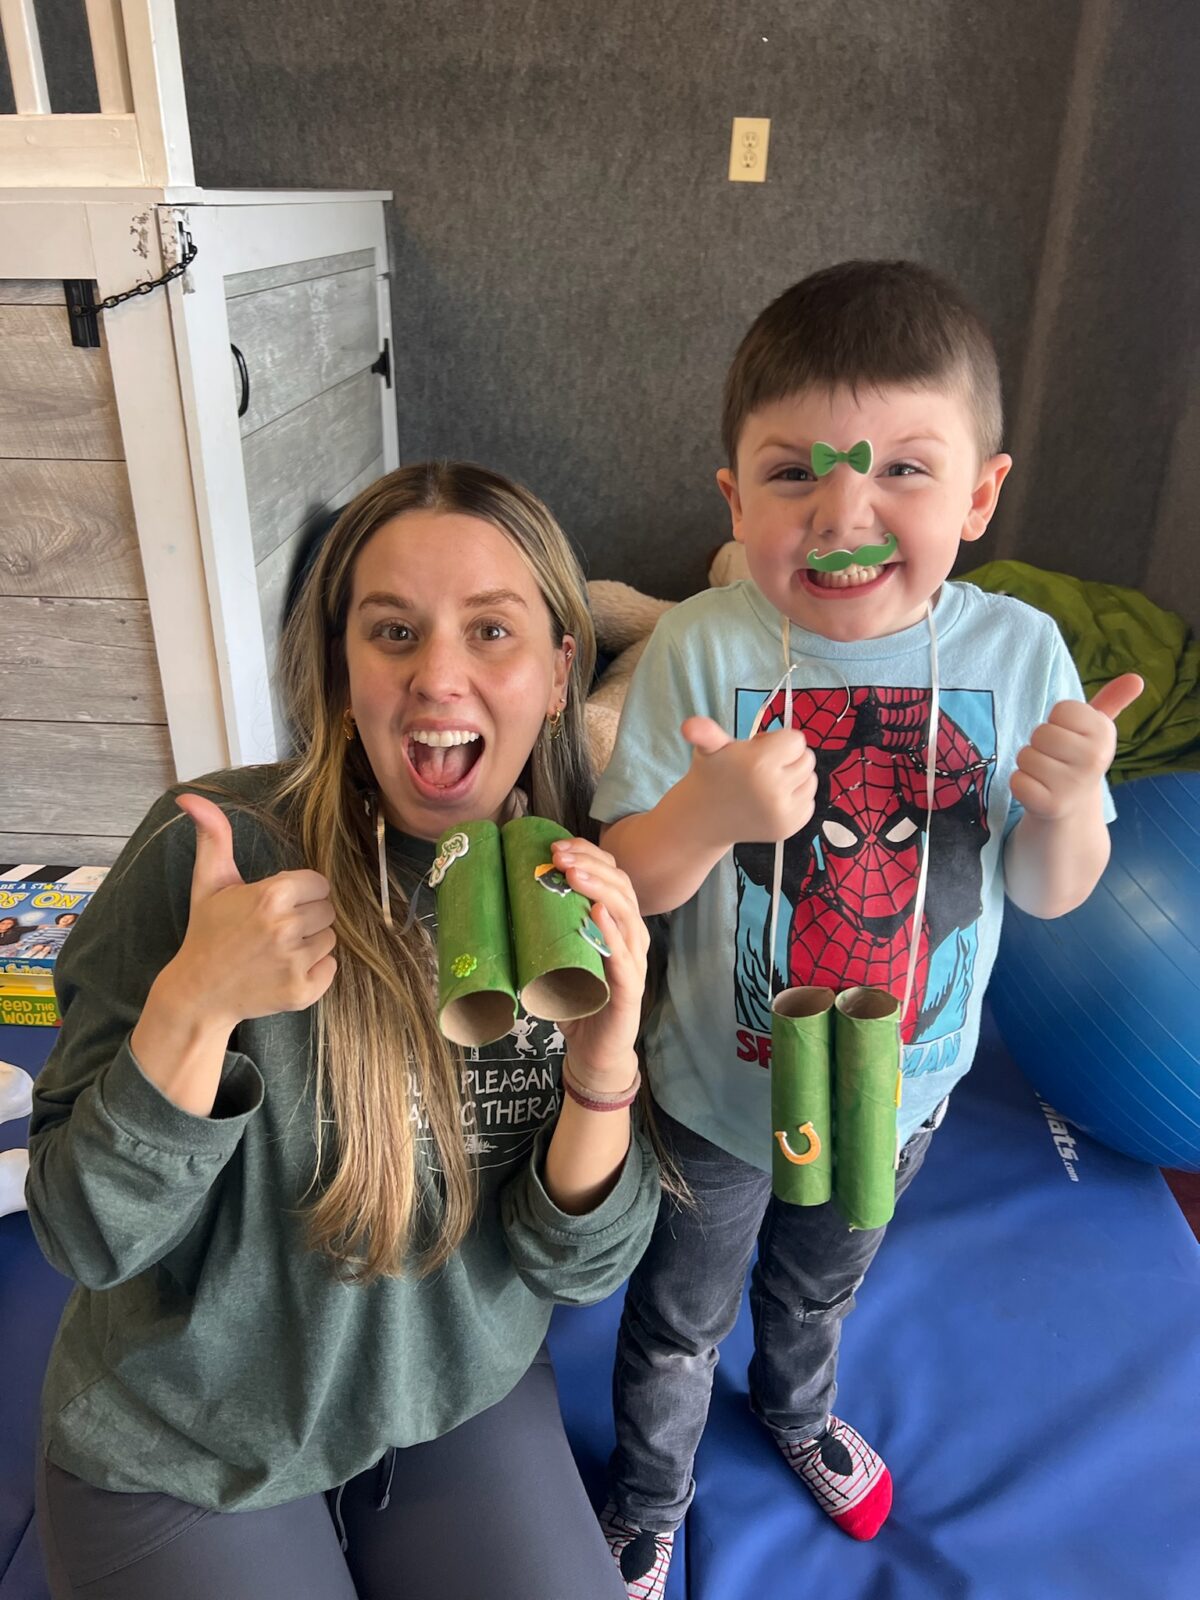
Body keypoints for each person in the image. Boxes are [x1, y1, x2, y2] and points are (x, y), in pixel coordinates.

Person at [590, 260, 1142, 1598]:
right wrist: (712, 812)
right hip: (714, 1092)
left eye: (904, 468)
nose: (845, 513)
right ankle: (651, 1495)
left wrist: (1068, 808)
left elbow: (1053, 891)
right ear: (733, 497)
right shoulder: (699, 651)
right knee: (676, 1316)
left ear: (979, 493)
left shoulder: (1017, 658)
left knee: (819, 1286)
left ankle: (793, 1412)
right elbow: (625, 883)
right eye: (794, 475)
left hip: (905, 1084)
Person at [26, 461, 658, 1600]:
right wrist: (197, 1000)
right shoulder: (211, 854)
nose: (440, 679)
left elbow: (578, 1266)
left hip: (446, 1393)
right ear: (340, 663)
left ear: (562, 671)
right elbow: (82, 1231)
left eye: (492, 631)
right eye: (394, 631)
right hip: (191, 1439)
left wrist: (604, 1063)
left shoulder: (569, 887)